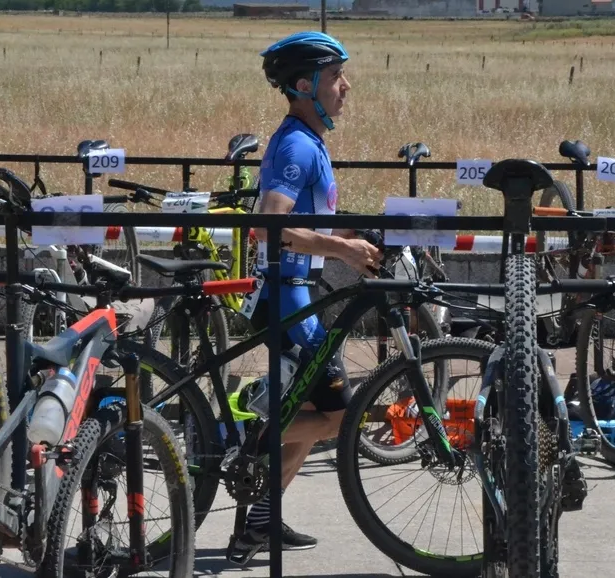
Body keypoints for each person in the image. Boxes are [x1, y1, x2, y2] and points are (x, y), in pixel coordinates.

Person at [230, 31, 382, 559]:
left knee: (316, 413)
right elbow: (268, 226)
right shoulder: (297, 144)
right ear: (303, 85)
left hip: (297, 293)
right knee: (338, 417)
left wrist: (355, 237)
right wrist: (343, 251)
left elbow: (306, 224)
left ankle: (259, 522)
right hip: (288, 298)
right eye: (336, 76)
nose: (346, 86)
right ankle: (248, 431)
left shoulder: (310, 141)